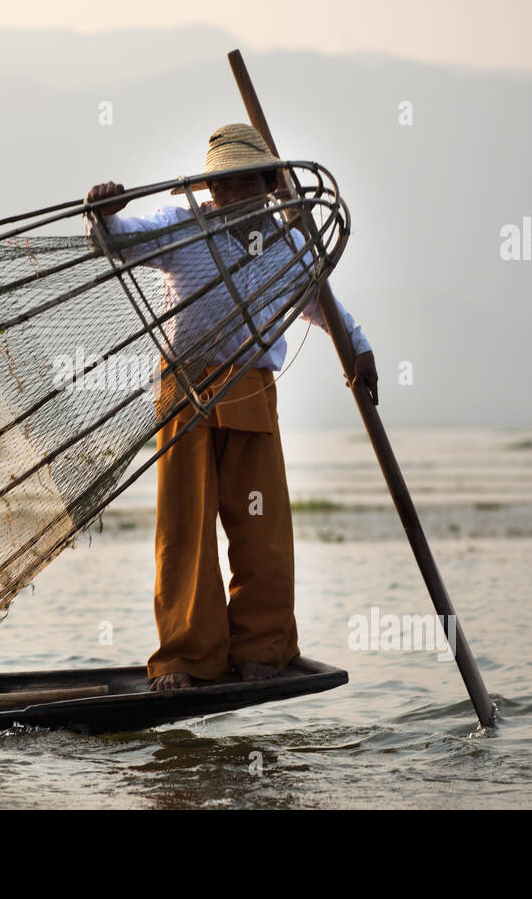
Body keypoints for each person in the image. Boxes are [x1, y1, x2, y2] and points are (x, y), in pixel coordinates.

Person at [83, 123, 378, 691]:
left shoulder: (293, 246)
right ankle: (187, 657)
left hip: (250, 387)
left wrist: (359, 348)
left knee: (260, 525)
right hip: (186, 389)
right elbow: (118, 240)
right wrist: (105, 213)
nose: (231, 197)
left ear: (269, 184)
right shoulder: (180, 228)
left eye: (245, 184)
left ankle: (261, 646)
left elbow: (321, 304)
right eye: (222, 186)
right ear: (208, 190)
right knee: (185, 526)